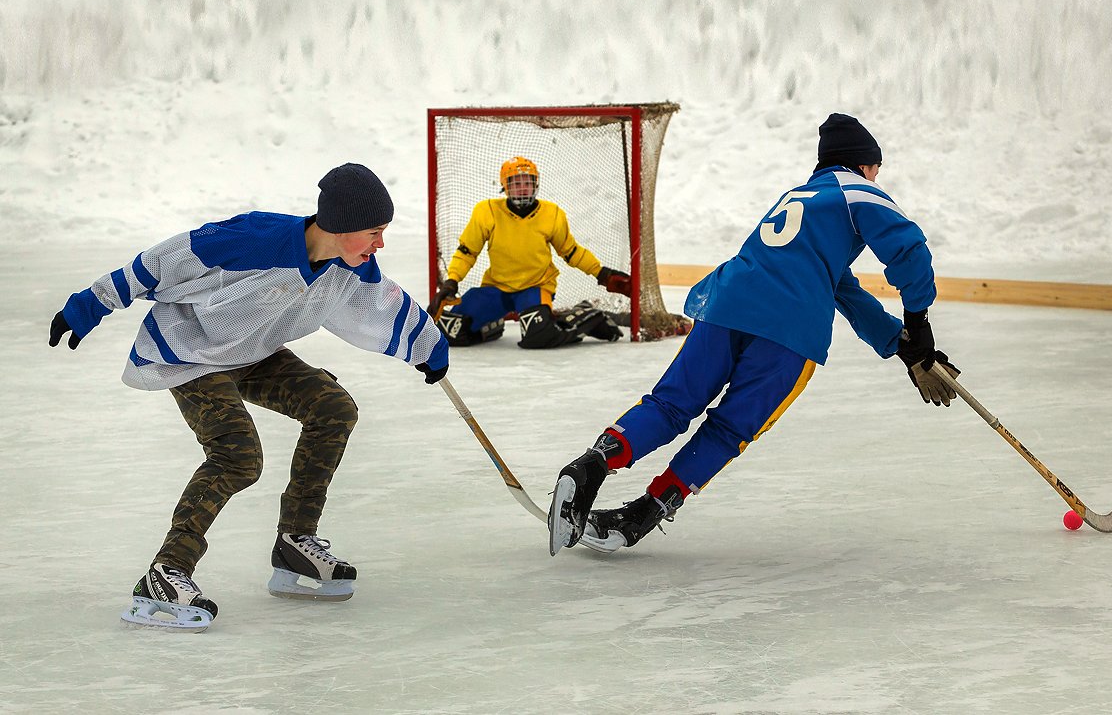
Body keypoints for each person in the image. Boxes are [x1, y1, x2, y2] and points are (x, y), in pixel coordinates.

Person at [48, 163, 449, 631]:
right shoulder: (252, 238)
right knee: (237, 457)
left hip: (253, 351)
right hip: (189, 353)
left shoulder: (350, 265)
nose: (380, 243)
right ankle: (166, 571)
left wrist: (427, 345)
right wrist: (88, 305)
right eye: (374, 232)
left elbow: (380, 302)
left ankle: (295, 543)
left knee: (333, 409)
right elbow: (160, 262)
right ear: (339, 226)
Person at [547, 114, 960, 556]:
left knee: (669, 404)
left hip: (726, 305)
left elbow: (841, 287)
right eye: (877, 167)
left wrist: (902, 346)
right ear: (862, 163)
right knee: (729, 430)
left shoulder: (797, 197)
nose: (878, 177)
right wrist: (918, 322)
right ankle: (645, 512)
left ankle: (594, 463)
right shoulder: (856, 188)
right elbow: (909, 249)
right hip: (789, 331)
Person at [429, 156, 632, 349]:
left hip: (535, 287)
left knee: (538, 336)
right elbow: (467, 251)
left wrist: (601, 273)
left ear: (536, 184)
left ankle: (588, 316)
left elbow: (571, 252)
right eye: (515, 183)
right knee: (449, 332)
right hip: (496, 288)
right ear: (505, 186)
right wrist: (452, 281)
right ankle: (491, 326)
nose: (522, 188)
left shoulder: (552, 214)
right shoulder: (487, 211)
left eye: (527, 182)